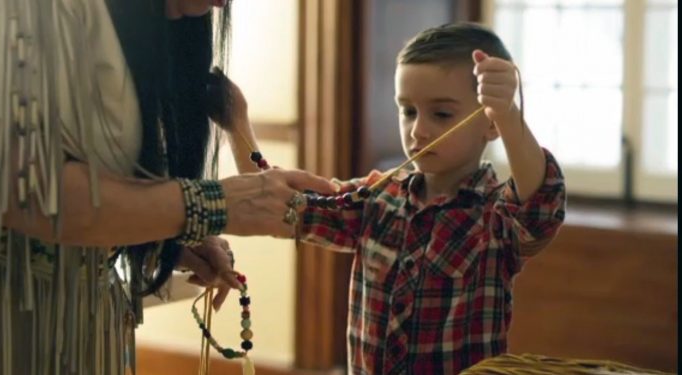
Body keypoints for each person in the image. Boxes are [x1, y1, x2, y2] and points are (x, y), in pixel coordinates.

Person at [0, 0, 335, 374]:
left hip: (85, 334)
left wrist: (163, 237)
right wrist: (207, 204)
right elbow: (19, 190)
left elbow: (94, 184)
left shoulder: (142, 29)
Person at [220, 23, 567, 375]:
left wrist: (508, 114)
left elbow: (541, 204)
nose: (418, 131)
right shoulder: (376, 199)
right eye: (408, 111)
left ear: (489, 126)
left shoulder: (494, 217)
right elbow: (277, 203)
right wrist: (236, 120)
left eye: (442, 114)